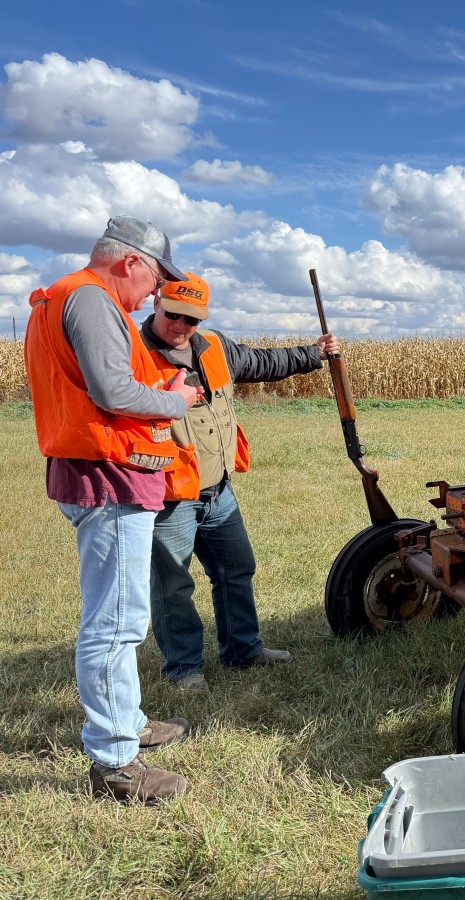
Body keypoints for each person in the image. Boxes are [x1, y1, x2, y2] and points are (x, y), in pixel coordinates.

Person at [24, 216, 201, 803]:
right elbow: (113, 392)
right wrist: (172, 400)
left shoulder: (62, 296)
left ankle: (126, 721)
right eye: (155, 279)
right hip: (108, 481)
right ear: (130, 263)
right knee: (116, 623)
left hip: (94, 474)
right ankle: (116, 763)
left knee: (117, 616)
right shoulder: (94, 300)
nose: (155, 294)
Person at [140, 272, 338, 691]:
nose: (181, 326)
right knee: (173, 585)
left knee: (236, 569)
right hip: (169, 495)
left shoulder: (213, 345)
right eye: (173, 314)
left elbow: (262, 363)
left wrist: (312, 354)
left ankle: (243, 650)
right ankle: (183, 668)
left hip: (218, 491)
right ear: (156, 303)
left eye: (191, 319)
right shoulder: (133, 354)